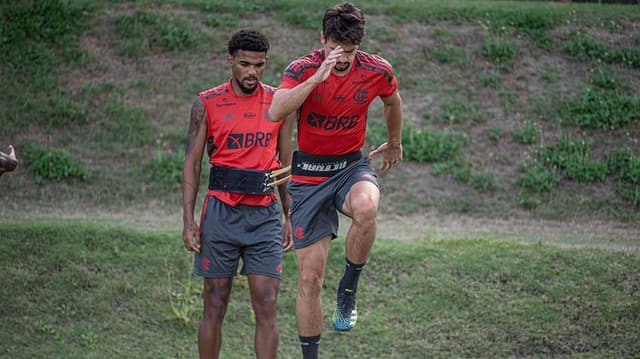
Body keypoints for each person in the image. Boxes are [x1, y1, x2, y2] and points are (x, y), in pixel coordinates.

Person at [268, 2, 403, 358]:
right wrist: (317, 78)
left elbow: (392, 101)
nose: (341, 59)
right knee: (309, 280)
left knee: (367, 206)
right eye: (334, 50)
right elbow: (276, 109)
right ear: (321, 39)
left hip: (349, 167)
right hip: (308, 175)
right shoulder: (302, 69)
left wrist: (394, 140)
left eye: (350, 51)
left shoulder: (376, 70)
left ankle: (348, 289)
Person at [182, 29, 294, 359]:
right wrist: (188, 220)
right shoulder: (207, 102)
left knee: (267, 301)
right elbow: (192, 162)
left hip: (264, 215)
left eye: (259, 66)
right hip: (221, 213)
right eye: (244, 64)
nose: (251, 72)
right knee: (215, 302)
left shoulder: (279, 102)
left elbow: (285, 165)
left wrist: (291, 215)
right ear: (230, 60)